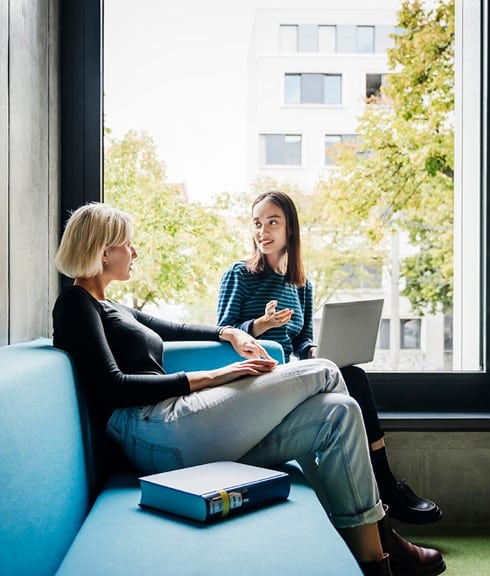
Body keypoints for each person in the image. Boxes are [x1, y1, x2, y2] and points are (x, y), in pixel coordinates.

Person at [52, 202, 445, 576]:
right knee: (325, 370)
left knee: (339, 413)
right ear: (104, 253)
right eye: (127, 244)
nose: (134, 252)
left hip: (178, 428)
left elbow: (178, 329)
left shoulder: (113, 305)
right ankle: (385, 527)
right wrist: (219, 375)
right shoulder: (75, 303)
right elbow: (112, 388)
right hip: (153, 431)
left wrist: (232, 334)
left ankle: (376, 558)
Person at [217, 190, 443, 527]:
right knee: (351, 382)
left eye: (272, 223)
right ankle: (386, 488)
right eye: (257, 224)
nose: (262, 231)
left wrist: (315, 354)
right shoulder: (240, 274)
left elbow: (302, 340)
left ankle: (382, 488)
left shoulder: (301, 285)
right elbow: (221, 331)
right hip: (253, 380)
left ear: (289, 229)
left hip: (287, 376)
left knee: (352, 374)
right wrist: (260, 325)